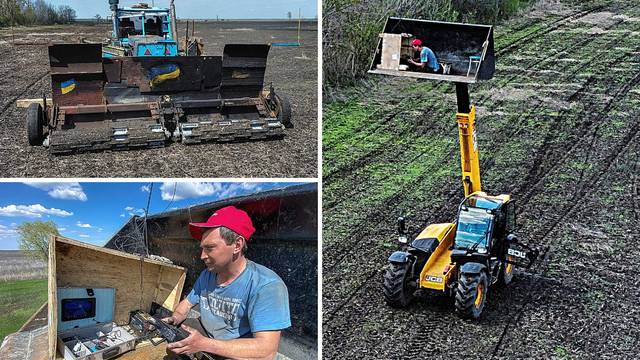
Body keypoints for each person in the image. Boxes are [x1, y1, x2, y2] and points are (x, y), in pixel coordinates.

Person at [163, 206, 291, 359]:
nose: (202, 256)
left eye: (209, 248)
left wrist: (204, 344)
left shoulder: (266, 285)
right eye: (202, 248)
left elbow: (266, 351)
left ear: (237, 245)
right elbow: (187, 304)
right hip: (207, 335)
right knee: (173, 343)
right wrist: (175, 318)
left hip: (237, 350)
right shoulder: (207, 275)